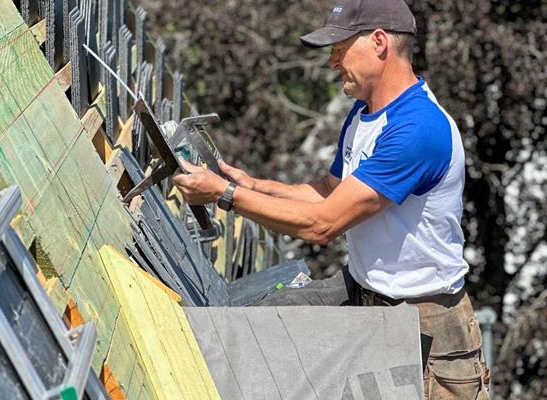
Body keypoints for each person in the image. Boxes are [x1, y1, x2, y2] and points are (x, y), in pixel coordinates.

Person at [173, 0, 490, 398]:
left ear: (379, 42)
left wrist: (225, 194)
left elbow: (323, 223)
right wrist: (251, 186)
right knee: (250, 328)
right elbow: (328, 193)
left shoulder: (418, 130)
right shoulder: (364, 114)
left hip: (424, 327)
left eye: (340, 48)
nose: (332, 63)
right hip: (365, 292)